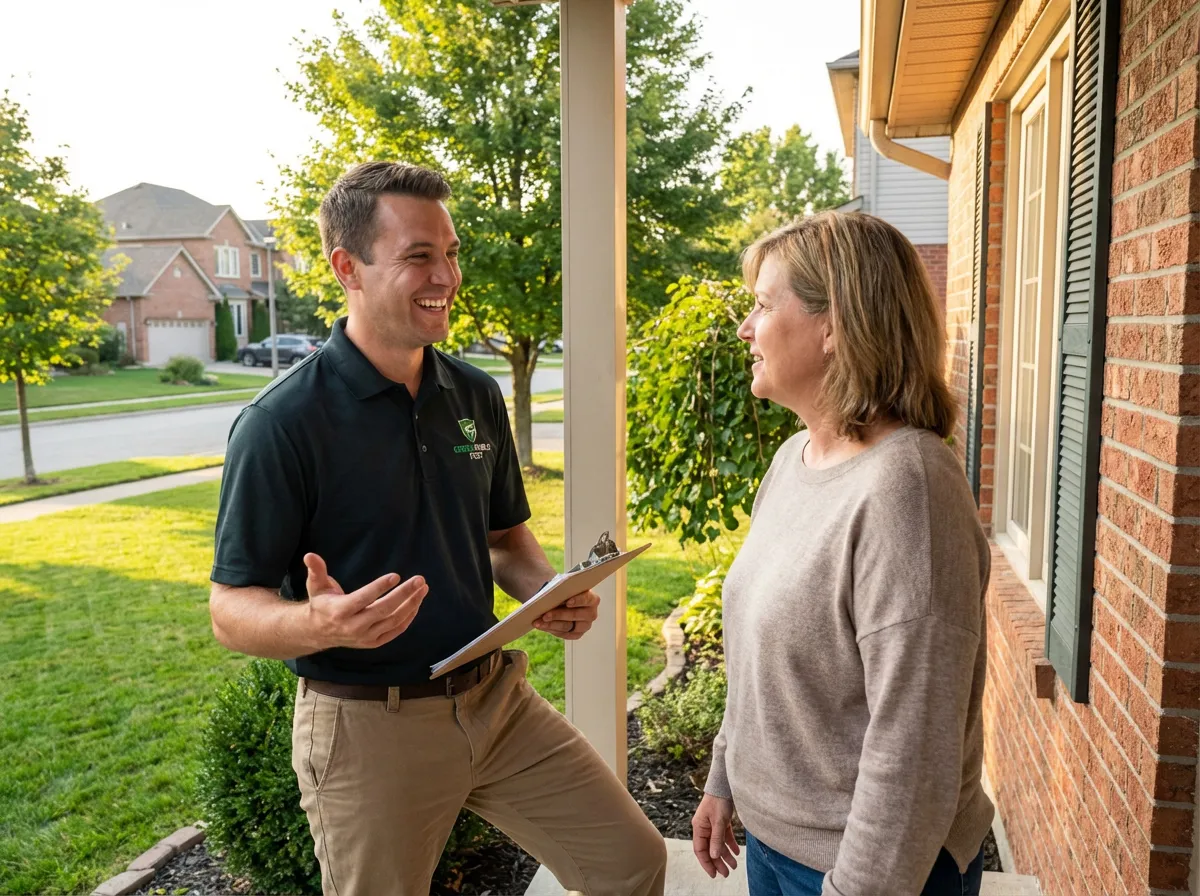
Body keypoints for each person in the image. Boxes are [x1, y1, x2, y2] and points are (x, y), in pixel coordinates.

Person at [209, 161, 667, 896]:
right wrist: (322, 623)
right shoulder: (282, 423)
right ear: (346, 268)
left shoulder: (475, 393)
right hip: (369, 731)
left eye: (450, 253)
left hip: (498, 703)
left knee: (630, 862)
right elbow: (232, 610)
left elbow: (504, 540)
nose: (446, 276)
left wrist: (548, 592)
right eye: (418, 256)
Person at [690, 211, 994, 896]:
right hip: (775, 845)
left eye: (764, 305)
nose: (745, 327)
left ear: (836, 326)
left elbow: (914, 747)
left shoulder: (906, 490)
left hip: (863, 868)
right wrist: (725, 777)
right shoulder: (794, 458)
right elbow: (757, 647)